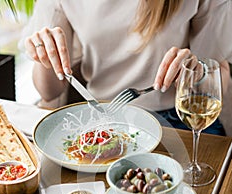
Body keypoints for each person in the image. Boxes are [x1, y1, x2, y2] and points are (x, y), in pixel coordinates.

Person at [20, 0, 232, 135]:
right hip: (100, 117)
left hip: (177, 120)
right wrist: (43, 56)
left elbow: (219, 76)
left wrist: (197, 75)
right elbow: (49, 91)